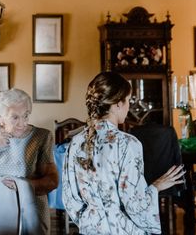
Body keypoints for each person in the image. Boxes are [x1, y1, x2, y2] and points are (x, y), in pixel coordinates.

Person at [62, 71, 185, 234]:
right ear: (117, 104)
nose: (129, 106)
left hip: (89, 230)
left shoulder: (75, 143)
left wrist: (90, 222)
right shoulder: (128, 144)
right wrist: (156, 186)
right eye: (128, 100)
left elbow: (70, 200)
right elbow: (134, 204)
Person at [0, 88, 58, 234]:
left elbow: (52, 181)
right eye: (15, 117)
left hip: (31, 210)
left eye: (26, 115)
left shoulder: (42, 136)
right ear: (1, 118)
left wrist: (22, 185)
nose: (22, 123)